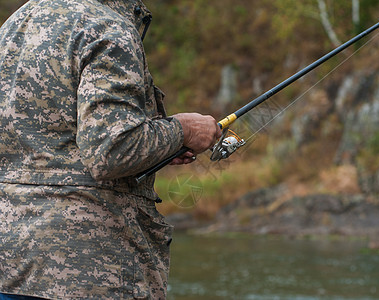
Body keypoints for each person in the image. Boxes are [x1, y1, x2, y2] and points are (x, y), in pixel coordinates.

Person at [0, 0, 221, 299]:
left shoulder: (16, 24)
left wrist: (159, 144)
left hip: (10, 263)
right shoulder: (107, 27)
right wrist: (185, 129)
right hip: (88, 269)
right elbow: (111, 151)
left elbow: (53, 146)